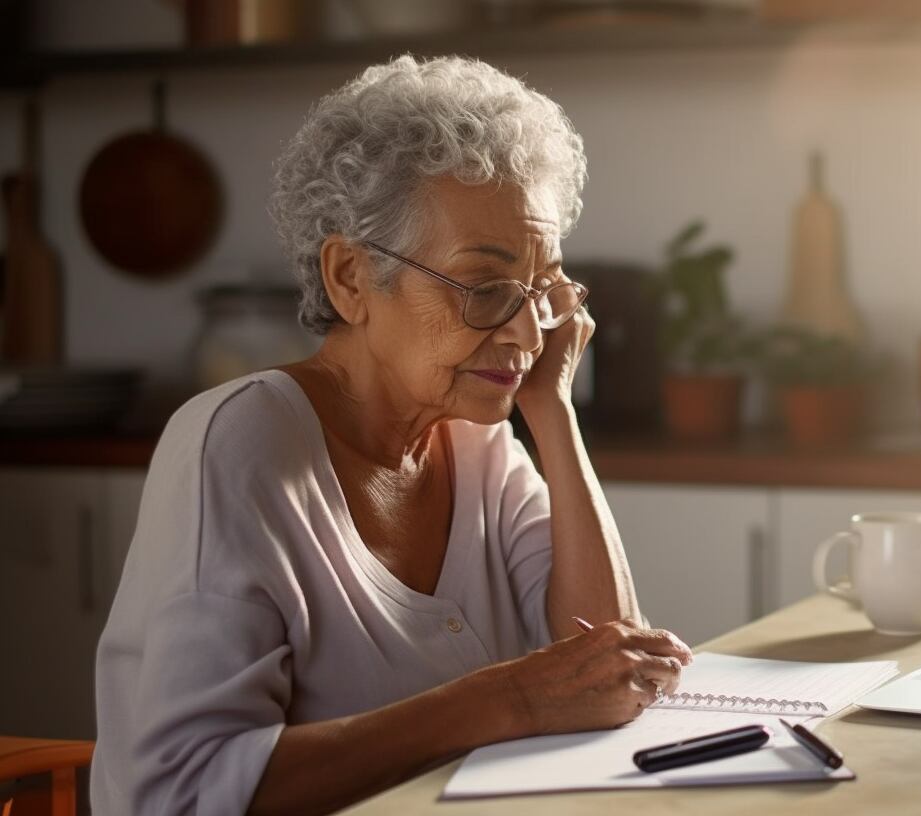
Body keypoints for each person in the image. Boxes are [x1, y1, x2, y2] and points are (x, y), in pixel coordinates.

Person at [91, 55, 692, 816]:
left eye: (541, 291)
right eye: (485, 287)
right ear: (350, 278)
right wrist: (506, 701)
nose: (525, 330)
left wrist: (553, 410)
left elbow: (605, 669)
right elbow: (184, 792)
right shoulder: (239, 445)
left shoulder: (480, 445)